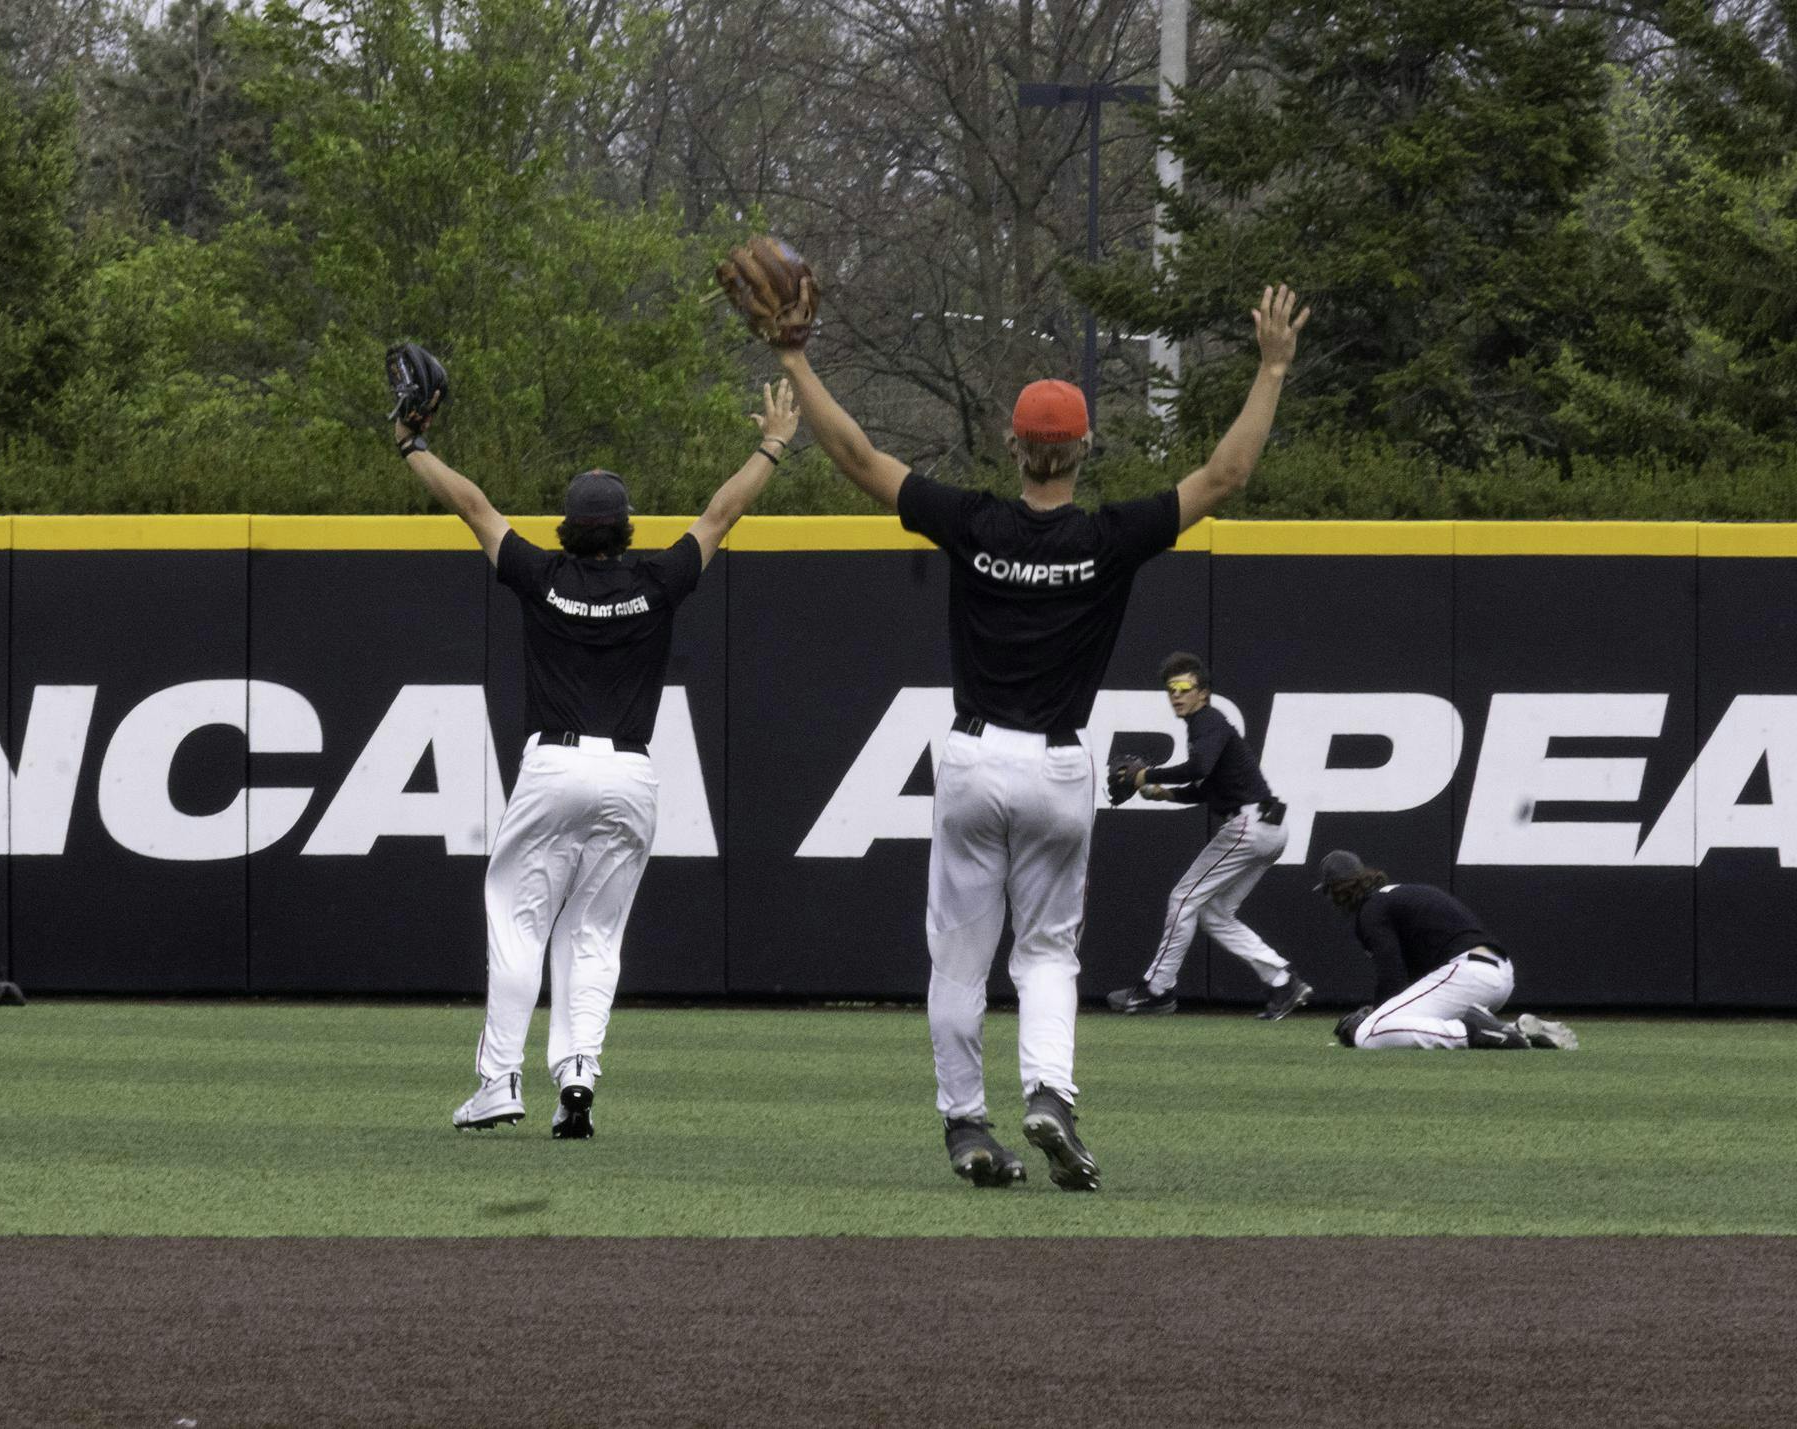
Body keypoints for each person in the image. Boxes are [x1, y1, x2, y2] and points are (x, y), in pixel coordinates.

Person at [773, 285, 1311, 1191]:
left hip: (976, 756)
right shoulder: (1109, 537)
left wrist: (794, 356)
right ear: (1084, 446)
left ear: (1016, 444)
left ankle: (964, 1123)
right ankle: (1050, 1094)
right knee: (1048, 953)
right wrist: (1271, 366)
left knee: (959, 955)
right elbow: (1226, 476)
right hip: (1061, 763)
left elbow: (859, 456)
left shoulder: (974, 522)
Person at [399, 379, 801, 1138]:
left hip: (552, 767)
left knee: (521, 925)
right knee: (595, 933)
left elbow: (473, 505)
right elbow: (722, 513)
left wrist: (414, 446)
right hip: (629, 773)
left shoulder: (541, 576)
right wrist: (772, 443)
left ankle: (498, 1081)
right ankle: (579, 1070)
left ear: (567, 530)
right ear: (624, 530)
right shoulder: (656, 580)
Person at [1104, 651, 1313, 1020]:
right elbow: (1208, 786)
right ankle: (1282, 981)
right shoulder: (1206, 726)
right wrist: (1167, 793)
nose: (1177, 695)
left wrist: (1145, 777)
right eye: (1171, 689)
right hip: (1269, 827)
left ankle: (1157, 989)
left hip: (1249, 826)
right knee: (1215, 912)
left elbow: (1199, 767)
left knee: (1183, 897)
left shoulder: (1208, 720)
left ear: (1203, 692)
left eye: (1185, 687)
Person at [1312, 849, 1578, 1051]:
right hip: (1496, 975)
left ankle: (1474, 1033)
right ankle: (1511, 1030)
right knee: (1395, 1021)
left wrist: (1380, 1013)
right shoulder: (1397, 895)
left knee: (1369, 1033)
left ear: (1336, 891)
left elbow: (1390, 973)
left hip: (1467, 973)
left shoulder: (1371, 910)